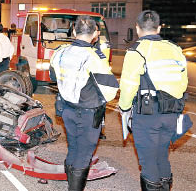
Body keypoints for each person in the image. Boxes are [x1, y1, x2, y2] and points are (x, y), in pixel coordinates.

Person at [118, 10, 188, 191]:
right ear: (159, 28)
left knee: (148, 161)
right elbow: (183, 82)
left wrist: (124, 109)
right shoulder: (175, 48)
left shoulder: (136, 50)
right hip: (172, 111)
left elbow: (128, 85)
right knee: (161, 154)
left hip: (148, 114)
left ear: (137, 28)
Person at [50, 16, 119, 191]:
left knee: (73, 147)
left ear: (73, 31)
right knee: (84, 153)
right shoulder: (94, 56)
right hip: (87, 112)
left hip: (66, 108)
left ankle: (71, 183)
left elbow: (53, 76)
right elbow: (110, 89)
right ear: (95, 34)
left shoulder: (60, 51)